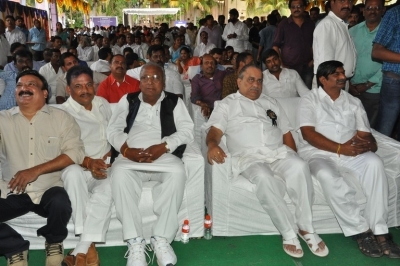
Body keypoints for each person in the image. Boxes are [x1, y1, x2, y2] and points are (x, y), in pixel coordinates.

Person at [205, 64, 328, 258]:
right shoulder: (226, 104)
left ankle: (306, 227)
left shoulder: (271, 102)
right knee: (263, 177)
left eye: (259, 81)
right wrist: (212, 145)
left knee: (299, 166)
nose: (256, 85)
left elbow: (287, 133)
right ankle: (287, 231)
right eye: (250, 80)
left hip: (277, 152)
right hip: (249, 156)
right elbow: (214, 131)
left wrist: (293, 155)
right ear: (239, 82)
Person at [297, 60, 400, 259]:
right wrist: (339, 148)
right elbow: (308, 133)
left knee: (375, 163)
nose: (343, 77)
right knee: (327, 176)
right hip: (318, 153)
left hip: (350, 152)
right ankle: (360, 231)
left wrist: (369, 145)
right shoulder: (309, 99)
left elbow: (365, 133)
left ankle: (380, 230)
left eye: (343, 73)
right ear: (323, 79)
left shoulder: (353, 101)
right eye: (336, 74)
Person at [107, 62, 194, 266]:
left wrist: (164, 146)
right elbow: (113, 130)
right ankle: (135, 242)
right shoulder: (127, 100)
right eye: (145, 77)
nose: (150, 82)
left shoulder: (174, 101)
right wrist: (127, 151)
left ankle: (161, 238)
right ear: (139, 81)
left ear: (163, 82)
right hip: (131, 156)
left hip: (162, 155)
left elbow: (187, 130)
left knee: (178, 171)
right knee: (118, 174)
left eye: (155, 78)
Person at [0, 70, 85, 266]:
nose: (24, 89)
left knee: (60, 202)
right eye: (20, 85)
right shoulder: (3, 119)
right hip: (13, 191)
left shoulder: (61, 118)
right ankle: (14, 247)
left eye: (31, 84)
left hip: (49, 189)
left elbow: (75, 153)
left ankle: (54, 241)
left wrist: (35, 171)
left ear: (45, 93)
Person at [60, 66, 113, 266]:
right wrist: (88, 163)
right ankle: (87, 249)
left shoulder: (103, 104)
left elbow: (116, 133)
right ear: (68, 90)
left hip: (105, 166)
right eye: (78, 86)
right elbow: (62, 148)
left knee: (109, 187)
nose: (85, 90)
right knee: (72, 174)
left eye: (89, 85)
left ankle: (81, 249)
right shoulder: (63, 112)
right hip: (78, 166)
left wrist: (113, 153)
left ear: (94, 85)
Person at [349, 0, 385, 129]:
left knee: (369, 127)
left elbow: (388, 62)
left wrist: (368, 84)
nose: (372, 11)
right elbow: (346, 57)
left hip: (374, 90)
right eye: (369, 8)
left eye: (377, 8)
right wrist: (349, 82)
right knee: (351, 125)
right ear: (363, 11)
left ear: (383, 10)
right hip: (351, 88)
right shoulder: (352, 31)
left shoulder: (388, 33)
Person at [312, 0, 356, 88]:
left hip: (339, 82)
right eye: (342, 1)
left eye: (350, 1)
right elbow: (326, 65)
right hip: (331, 85)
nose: (347, 5)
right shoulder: (328, 25)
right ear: (332, 2)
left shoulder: (340, 23)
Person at [372, 5, 400, 140]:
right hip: (395, 82)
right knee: (385, 131)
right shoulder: (395, 14)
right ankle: (378, 160)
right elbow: (376, 51)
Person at [272, 0, 315, 89]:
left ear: (304, 8)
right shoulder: (283, 25)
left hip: (307, 66)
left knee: (307, 94)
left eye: (299, 6)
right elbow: (275, 46)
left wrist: (313, 61)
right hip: (289, 67)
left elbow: (316, 45)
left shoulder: (310, 25)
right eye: (293, 7)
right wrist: (282, 64)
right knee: (291, 93)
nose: (296, 9)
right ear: (290, 9)